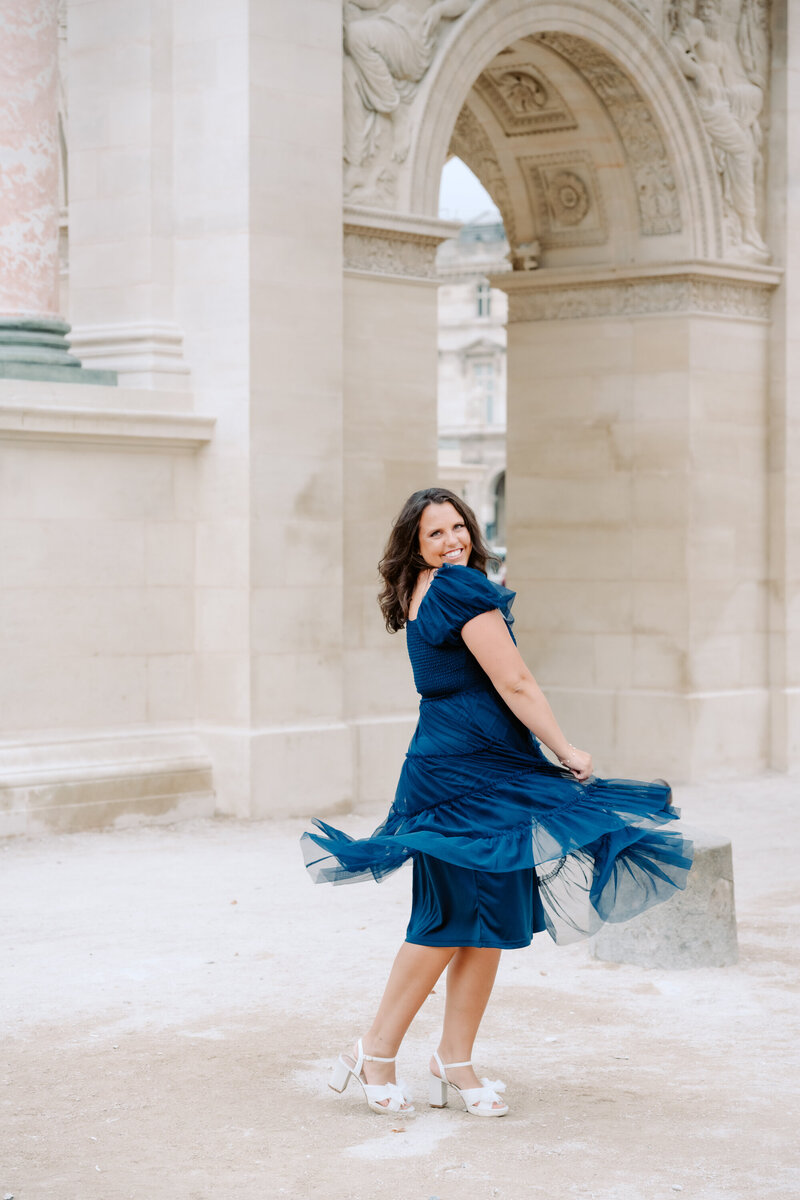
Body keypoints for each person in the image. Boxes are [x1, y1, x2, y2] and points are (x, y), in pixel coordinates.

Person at [301, 488, 693, 1119]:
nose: (453, 539)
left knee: (483, 923)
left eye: (460, 526)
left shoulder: (426, 587)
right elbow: (515, 680)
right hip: (466, 776)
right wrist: (565, 747)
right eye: (436, 533)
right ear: (416, 545)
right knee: (447, 921)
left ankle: (453, 1062)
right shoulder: (458, 590)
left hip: (476, 768)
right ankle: (375, 1050)